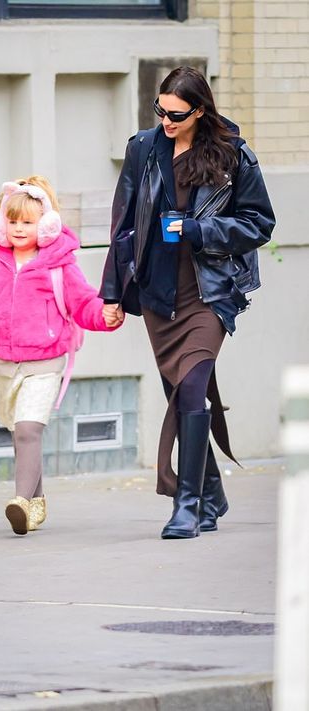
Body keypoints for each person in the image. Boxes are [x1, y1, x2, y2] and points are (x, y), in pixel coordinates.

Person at [100, 66, 275, 540]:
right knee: (180, 398)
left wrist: (200, 230)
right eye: (160, 109)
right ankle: (213, 494)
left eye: (176, 113)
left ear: (200, 110)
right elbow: (122, 225)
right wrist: (112, 293)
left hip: (208, 292)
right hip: (158, 292)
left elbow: (260, 223)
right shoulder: (144, 148)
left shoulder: (233, 155)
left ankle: (188, 504)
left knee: (192, 390)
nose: (166, 120)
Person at [0, 175, 122, 536]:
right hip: (3, 362)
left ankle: (21, 501)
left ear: (46, 225)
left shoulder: (58, 265)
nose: (17, 228)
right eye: (11, 220)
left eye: (27, 222)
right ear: (1, 222)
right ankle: (38, 502)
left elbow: (83, 304)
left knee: (29, 428)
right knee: (19, 432)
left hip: (45, 362)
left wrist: (105, 316)